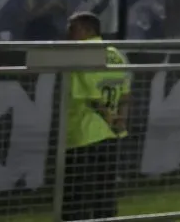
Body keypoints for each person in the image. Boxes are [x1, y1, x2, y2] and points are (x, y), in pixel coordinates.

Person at [63, 12, 131, 221]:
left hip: (84, 131)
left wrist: (106, 116)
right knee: (105, 190)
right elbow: (126, 93)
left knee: (76, 192)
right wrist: (120, 118)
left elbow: (90, 94)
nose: (69, 34)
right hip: (112, 134)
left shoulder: (81, 53)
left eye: (72, 29)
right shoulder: (116, 54)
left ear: (86, 29)